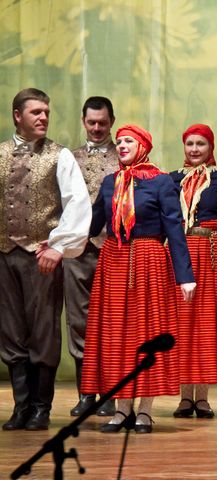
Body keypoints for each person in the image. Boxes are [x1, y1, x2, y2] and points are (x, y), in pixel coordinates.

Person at [80, 124, 196, 434]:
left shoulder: (161, 182)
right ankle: (122, 411)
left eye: (128, 141)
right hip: (115, 261)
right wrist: (59, 241)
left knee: (146, 334)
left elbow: (174, 229)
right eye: (119, 141)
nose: (121, 145)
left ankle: (144, 411)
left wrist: (185, 276)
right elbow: (92, 224)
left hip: (149, 260)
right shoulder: (110, 182)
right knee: (117, 336)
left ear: (142, 145)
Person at [0, 88, 91, 431]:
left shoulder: (59, 155)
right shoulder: (0, 154)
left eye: (46, 112)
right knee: (11, 331)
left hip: (41, 256)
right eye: (36, 112)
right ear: (17, 115)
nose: (43, 117)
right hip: (4, 253)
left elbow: (78, 203)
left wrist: (58, 246)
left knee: (43, 331)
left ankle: (41, 407)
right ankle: (21, 406)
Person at [170, 124, 217, 419]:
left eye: (200, 144)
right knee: (183, 323)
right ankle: (183, 397)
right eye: (190, 144)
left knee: (205, 323)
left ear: (211, 147)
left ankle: (201, 397)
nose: (194, 149)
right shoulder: (173, 179)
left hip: (215, 254)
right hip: (181, 254)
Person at [65, 96, 118, 418]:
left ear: (112, 122)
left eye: (103, 122)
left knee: (111, 323)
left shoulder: (125, 155)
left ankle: (110, 395)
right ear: (83, 121)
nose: (97, 128)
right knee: (78, 321)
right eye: (91, 122)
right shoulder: (69, 158)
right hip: (76, 250)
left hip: (113, 250)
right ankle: (86, 393)